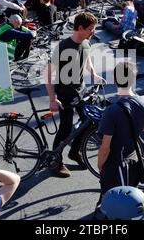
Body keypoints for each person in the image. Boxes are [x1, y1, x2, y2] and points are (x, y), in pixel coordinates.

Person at [46, 12, 104, 177]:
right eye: (91, 29)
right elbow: (48, 73)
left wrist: (93, 74)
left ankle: (74, 151)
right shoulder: (64, 47)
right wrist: (52, 98)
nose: (93, 32)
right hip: (65, 94)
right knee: (65, 128)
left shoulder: (85, 41)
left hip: (81, 90)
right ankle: (55, 161)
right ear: (80, 28)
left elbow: (87, 59)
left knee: (88, 121)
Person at [97, 62, 144, 195]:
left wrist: (100, 165)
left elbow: (105, 148)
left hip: (116, 165)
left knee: (114, 199)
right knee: (130, 195)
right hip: (135, 159)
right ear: (134, 78)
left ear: (116, 80)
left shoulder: (111, 111)